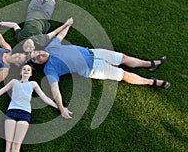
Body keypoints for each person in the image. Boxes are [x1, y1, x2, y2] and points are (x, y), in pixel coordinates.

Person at [30, 23, 171, 119]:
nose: (39, 55)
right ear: (39, 63)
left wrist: (68, 24)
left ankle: (150, 64)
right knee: (123, 75)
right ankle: (152, 82)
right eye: (36, 58)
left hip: (94, 53)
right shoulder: (50, 69)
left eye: (37, 52)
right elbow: (55, 89)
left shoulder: (51, 47)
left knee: (123, 58)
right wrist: (61, 108)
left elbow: (60, 36)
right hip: (94, 69)